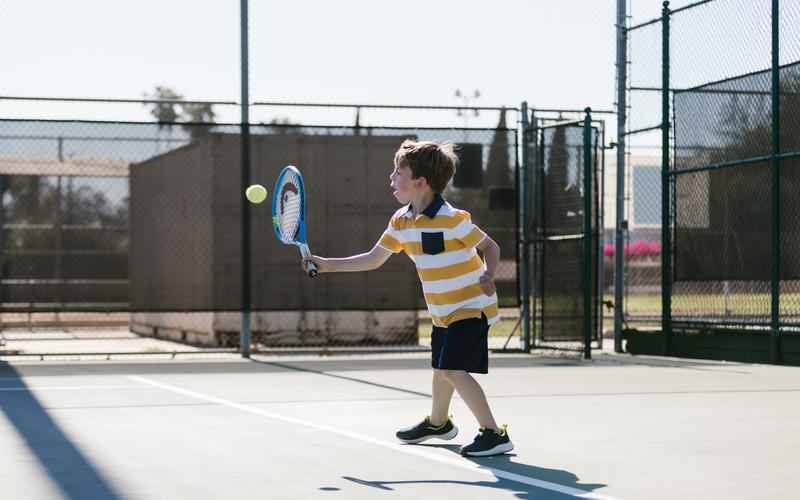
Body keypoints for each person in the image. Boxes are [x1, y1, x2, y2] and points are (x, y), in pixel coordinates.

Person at [302, 139, 513, 457]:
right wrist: (327, 265)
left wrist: (489, 272)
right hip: (442, 309)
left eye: (398, 171)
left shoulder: (454, 219)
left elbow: (491, 246)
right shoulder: (400, 221)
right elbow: (374, 258)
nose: (391, 177)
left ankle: (494, 434)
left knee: (453, 368)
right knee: (441, 367)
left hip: (471, 305)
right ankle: (439, 423)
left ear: (420, 182)